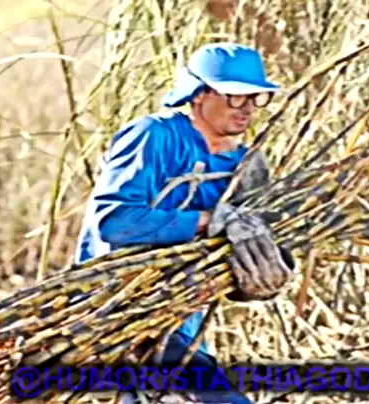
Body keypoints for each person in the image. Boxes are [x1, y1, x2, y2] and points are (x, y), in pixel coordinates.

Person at [74, 42, 296, 403]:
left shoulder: (247, 168)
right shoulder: (154, 136)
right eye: (235, 96)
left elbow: (237, 263)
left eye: (256, 97)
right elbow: (114, 222)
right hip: (117, 309)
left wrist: (261, 279)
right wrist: (207, 221)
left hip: (182, 320)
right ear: (198, 94)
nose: (247, 108)